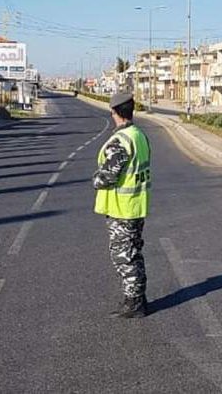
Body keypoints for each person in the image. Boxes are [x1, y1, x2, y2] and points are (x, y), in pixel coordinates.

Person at [93, 92, 151, 318]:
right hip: (137, 205)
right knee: (134, 253)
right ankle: (138, 297)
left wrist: (95, 179)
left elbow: (108, 176)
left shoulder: (120, 141)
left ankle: (134, 303)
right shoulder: (140, 135)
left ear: (114, 112)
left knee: (123, 256)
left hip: (122, 209)